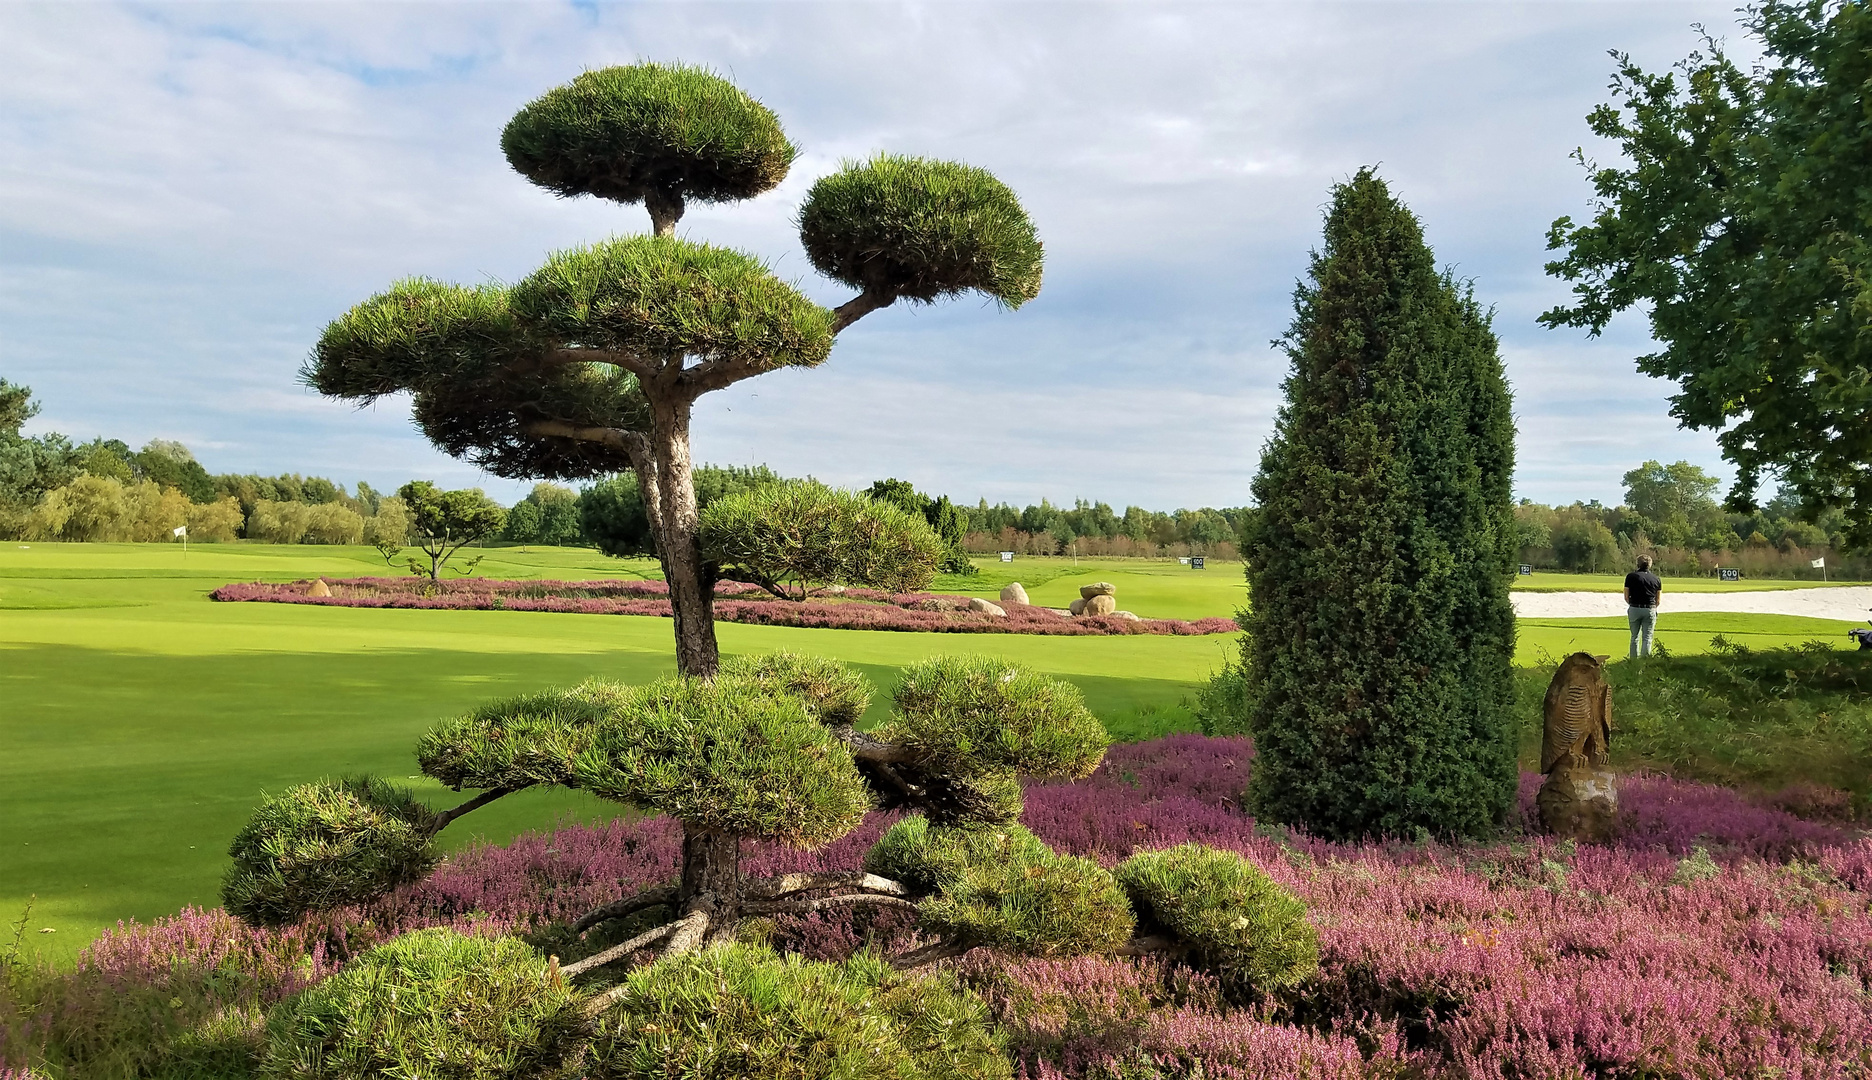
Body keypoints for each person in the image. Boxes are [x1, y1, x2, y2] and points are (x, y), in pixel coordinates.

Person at [1623, 554, 1662, 659]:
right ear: (1650, 565)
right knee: (1647, 638)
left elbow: (1626, 596)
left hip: (1635, 608)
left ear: (1638, 564)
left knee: (1634, 637)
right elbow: (1658, 600)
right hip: (1650, 608)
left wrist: (1632, 604)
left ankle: (1633, 662)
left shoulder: (1631, 576)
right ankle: (1645, 661)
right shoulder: (1656, 579)